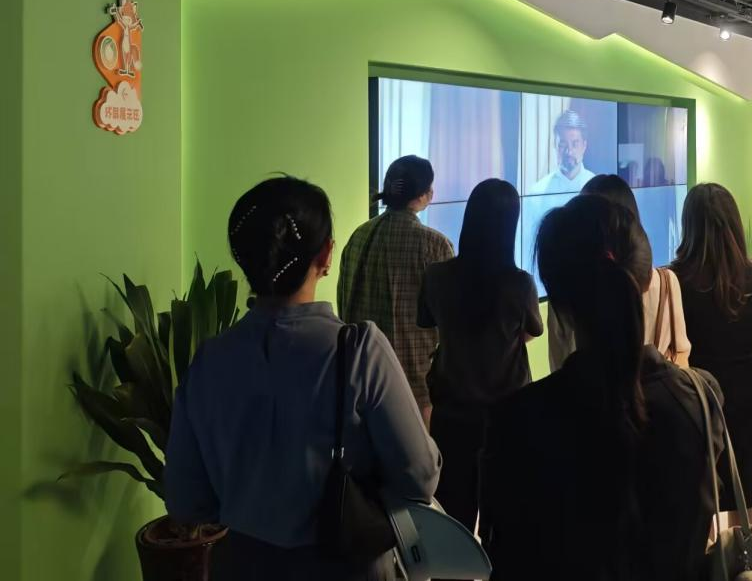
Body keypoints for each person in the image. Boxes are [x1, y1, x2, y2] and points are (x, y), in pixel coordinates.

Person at [166, 176, 441, 581]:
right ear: (327, 254)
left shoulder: (208, 360)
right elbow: (420, 477)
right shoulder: (359, 350)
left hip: (240, 566)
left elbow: (186, 501)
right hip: (347, 564)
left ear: (245, 260)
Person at [479, 195, 725, 581]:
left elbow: (505, 554)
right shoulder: (701, 399)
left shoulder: (517, 421)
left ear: (557, 304)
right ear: (647, 280)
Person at [417, 178, 543, 532]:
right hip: (507, 415)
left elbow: (427, 320)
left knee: (452, 525)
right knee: (502, 525)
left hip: (451, 414)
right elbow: (531, 332)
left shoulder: (437, 276)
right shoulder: (519, 283)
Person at [672, 182, 752, 533]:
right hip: (743, 389)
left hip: (693, 394)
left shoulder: (674, 279)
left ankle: (707, 558)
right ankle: (743, 558)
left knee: (699, 494)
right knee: (742, 494)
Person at [338, 155, 454, 425]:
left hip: (362, 376)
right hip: (416, 381)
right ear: (425, 195)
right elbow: (450, 316)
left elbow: (343, 302)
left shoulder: (358, 236)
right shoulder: (435, 244)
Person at [547, 174, 692, 371]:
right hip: (656, 388)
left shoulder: (567, 293)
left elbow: (559, 365)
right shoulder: (666, 281)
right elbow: (681, 352)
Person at [527, 109, 596, 194]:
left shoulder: (597, 188)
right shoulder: (538, 191)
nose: (569, 152)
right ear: (555, 145)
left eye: (575, 144)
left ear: (584, 146)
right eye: (563, 145)